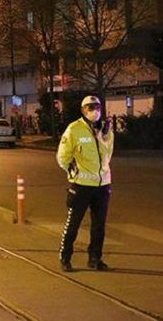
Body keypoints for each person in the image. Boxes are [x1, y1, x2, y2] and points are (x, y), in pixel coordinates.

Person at [56, 95, 114, 272]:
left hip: (102, 184)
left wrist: (102, 137)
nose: (95, 111)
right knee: (73, 223)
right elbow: (63, 157)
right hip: (81, 185)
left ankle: (95, 258)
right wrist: (73, 171)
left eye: (97, 107)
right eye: (90, 107)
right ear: (83, 110)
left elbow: (108, 154)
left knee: (99, 225)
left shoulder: (105, 129)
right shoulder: (74, 129)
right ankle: (65, 257)